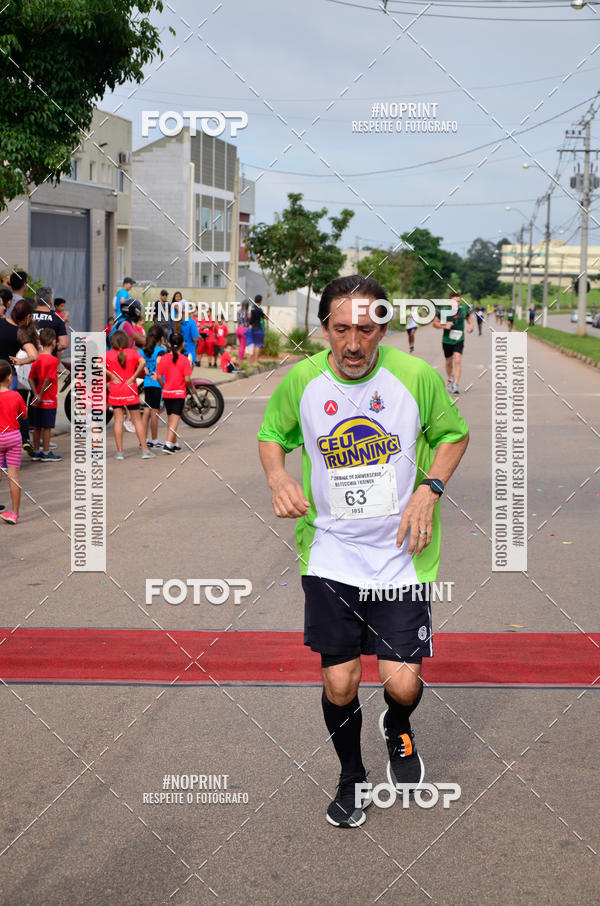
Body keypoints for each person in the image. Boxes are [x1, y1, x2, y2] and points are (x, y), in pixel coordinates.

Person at [257, 274, 469, 828]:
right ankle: (352, 776)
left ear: (384, 329)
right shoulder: (301, 380)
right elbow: (271, 436)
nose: (354, 344)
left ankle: (397, 726)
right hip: (330, 554)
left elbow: (454, 434)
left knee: (403, 681)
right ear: (324, 327)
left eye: (367, 329)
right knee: (340, 680)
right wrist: (278, 475)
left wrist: (431, 488)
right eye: (342, 329)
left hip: (401, 554)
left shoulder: (416, 377)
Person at [105, 330, 154, 460]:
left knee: (118, 421)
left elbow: (96, 364)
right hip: (130, 390)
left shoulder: (108, 354)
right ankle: (145, 450)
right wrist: (133, 377)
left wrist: (110, 375)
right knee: (137, 420)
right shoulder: (133, 353)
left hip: (115, 390)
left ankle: (120, 452)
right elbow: (143, 363)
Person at [156, 331, 194, 454]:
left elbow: (158, 376)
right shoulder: (184, 360)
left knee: (171, 419)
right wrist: (192, 389)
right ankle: (167, 445)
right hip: (179, 393)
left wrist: (164, 386)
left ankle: (174, 443)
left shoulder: (164, 358)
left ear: (169, 343)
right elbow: (188, 379)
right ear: (183, 344)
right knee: (175, 419)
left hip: (167, 393)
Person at [28, 328, 62, 463]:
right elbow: (48, 379)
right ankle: (46, 451)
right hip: (48, 399)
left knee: (36, 426)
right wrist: (41, 394)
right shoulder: (53, 360)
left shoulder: (36, 358)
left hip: (37, 399)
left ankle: (36, 451)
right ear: (53, 342)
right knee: (47, 427)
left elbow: (31, 378)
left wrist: (35, 394)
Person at [0, 359, 27, 523]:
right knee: (13, 476)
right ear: (9, 377)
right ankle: (14, 513)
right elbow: (24, 415)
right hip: (13, 437)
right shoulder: (15, 395)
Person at [433, 291, 473, 395]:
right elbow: (435, 323)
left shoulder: (463, 310)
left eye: (459, 301)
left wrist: (471, 325)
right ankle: (450, 378)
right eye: (455, 302)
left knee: (458, 360)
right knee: (448, 362)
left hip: (459, 339)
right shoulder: (443, 311)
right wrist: (444, 325)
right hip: (447, 340)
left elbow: (469, 318)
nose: (457, 304)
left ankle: (456, 384)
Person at [141, 325, 167, 449]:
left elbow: (137, 360)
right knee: (154, 413)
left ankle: (143, 440)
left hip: (147, 384)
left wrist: (144, 368)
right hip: (157, 384)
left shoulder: (143, 351)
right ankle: (154, 440)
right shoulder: (160, 351)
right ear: (161, 338)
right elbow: (161, 363)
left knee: (146, 412)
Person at [31, 287, 68, 359]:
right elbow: (64, 344)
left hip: (28, 359)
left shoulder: (26, 316)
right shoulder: (57, 319)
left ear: (35, 300)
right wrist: (50, 346)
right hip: (48, 360)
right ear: (51, 301)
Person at [249, 294, 266, 366]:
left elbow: (250, 318)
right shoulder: (259, 309)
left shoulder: (252, 308)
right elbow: (265, 317)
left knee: (253, 345)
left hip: (252, 329)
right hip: (258, 329)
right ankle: (256, 362)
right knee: (257, 346)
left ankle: (252, 361)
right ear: (260, 301)